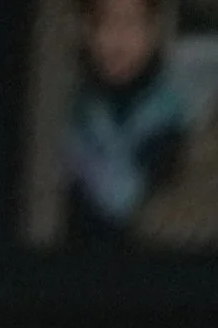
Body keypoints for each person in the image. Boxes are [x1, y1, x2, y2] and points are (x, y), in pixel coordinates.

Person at [62, 0, 197, 242]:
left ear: (153, 30)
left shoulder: (167, 114)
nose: (117, 39)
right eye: (103, 23)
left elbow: (125, 199)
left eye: (130, 23)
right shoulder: (77, 101)